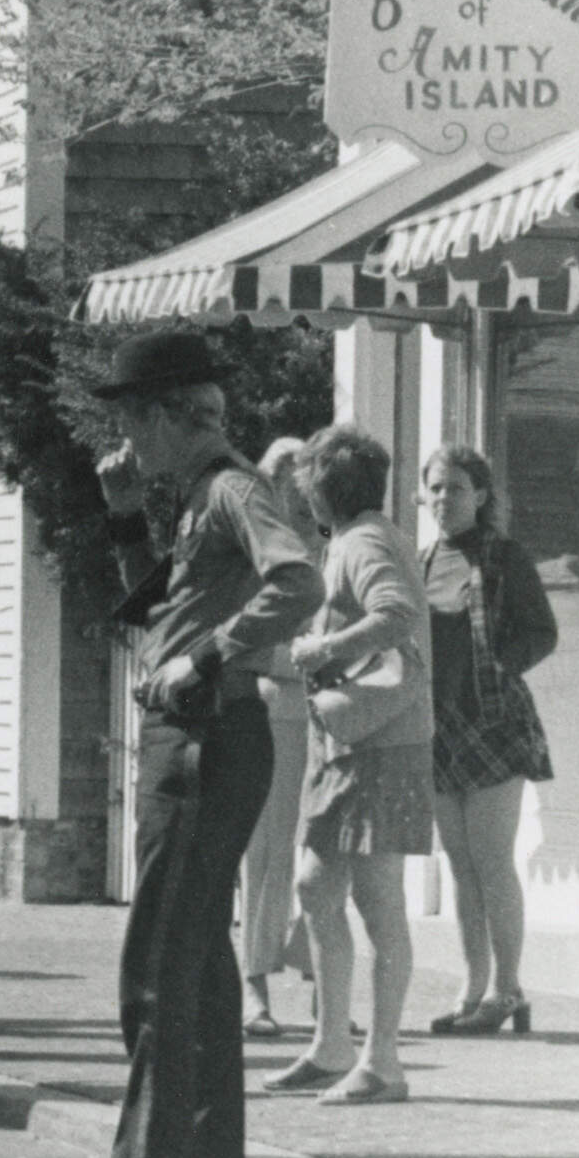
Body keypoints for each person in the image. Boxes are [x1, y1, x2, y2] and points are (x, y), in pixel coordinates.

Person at [40, 330, 320, 1158]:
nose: (127, 439)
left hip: (205, 735)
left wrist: (206, 657)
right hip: (201, 733)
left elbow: (299, 582)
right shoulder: (201, 496)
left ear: (168, 413)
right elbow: (164, 612)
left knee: (157, 967)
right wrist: (124, 516)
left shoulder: (234, 488)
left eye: (131, 417)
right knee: (195, 966)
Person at [265, 427, 435, 1107]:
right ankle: (331, 1041)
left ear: (318, 486)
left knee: (375, 901)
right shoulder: (359, 535)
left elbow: (396, 611)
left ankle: (382, 1060)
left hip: (379, 743)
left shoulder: (361, 540)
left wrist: (321, 648)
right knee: (315, 883)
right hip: (353, 741)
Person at [417, 446, 559, 1036]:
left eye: (455, 488)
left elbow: (541, 632)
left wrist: (502, 666)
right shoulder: (420, 561)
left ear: (479, 495)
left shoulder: (503, 557)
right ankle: (473, 985)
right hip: (438, 727)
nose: (444, 499)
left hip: (494, 724)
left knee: (492, 859)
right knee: (459, 863)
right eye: (435, 488)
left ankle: (508, 988)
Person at [239, 437, 316, 1039]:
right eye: (283, 481)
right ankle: (254, 989)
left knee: (323, 853)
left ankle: (323, 990)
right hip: (275, 710)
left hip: (333, 716)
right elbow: (248, 641)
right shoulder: (255, 556)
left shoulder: (328, 546)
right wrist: (311, 658)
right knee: (266, 854)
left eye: (302, 481)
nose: (294, 493)